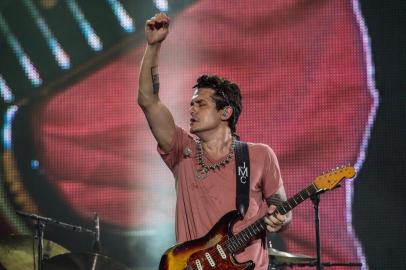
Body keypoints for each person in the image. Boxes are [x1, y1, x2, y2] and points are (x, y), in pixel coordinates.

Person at [137, 13, 292, 270]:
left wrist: (281, 217)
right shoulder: (181, 149)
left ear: (225, 112)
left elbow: (280, 206)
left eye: (201, 104)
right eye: (191, 104)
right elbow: (148, 101)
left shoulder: (260, 155)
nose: (192, 110)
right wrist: (153, 46)